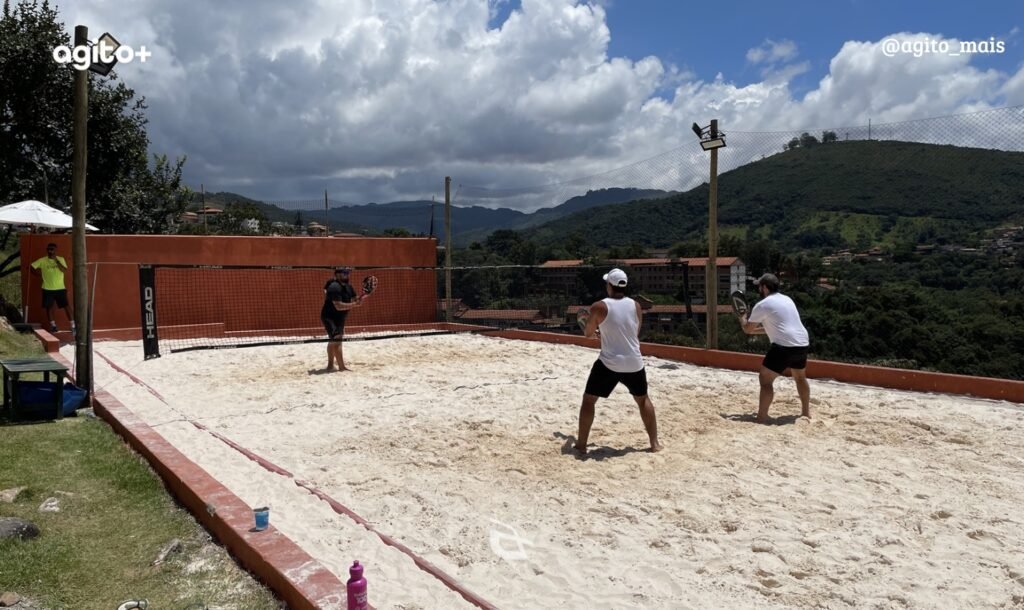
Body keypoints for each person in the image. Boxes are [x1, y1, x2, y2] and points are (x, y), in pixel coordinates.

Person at [574, 268, 662, 455]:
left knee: (589, 400)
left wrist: (599, 332)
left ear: (609, 286)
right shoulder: (636, 305)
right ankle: (654, 444)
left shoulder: (599, 306)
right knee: (643, 399)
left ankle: (581, 445)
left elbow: (588, 333)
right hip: (634, 362)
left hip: (609, 363)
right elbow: (633, 334)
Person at [740, 273, 811, 423]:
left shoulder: (763, 305)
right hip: (802, 342)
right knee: (800, 378)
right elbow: (776, 327)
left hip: (784, 346)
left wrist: (742, 316)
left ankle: (762, 416)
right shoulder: (787, 299)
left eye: (760, 286)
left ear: (764, 287)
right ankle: (805, 412)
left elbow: (747, 329)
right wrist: (753, 329)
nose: (759, 289)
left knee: (765, 380)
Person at [321, 267, 363, 371]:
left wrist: (359, 299)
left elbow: (354, 298)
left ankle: (330, 366)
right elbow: (338, 306)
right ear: (337, 274)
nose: (347, 275)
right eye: (344, 273)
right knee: (338, 340)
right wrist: (354, 304)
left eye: (348, 273)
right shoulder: (334, 287)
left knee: (333, 340)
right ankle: (342, 367)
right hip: (329, 317)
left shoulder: (349, 287)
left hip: (340, 317)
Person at [30, 242, 74, 336]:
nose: (50, 251)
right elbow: (31, 267)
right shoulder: (42, 260)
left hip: (60, 288)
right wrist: (38, 275)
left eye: (52, 249)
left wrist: (56, 261)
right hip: (47, 288)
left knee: (66, 306)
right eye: (49, 249)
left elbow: (64, 270)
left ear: (55, 250)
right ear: (47, 250)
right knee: (49, 307)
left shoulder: (60, 259)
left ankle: (73, 325)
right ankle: (53, 326)